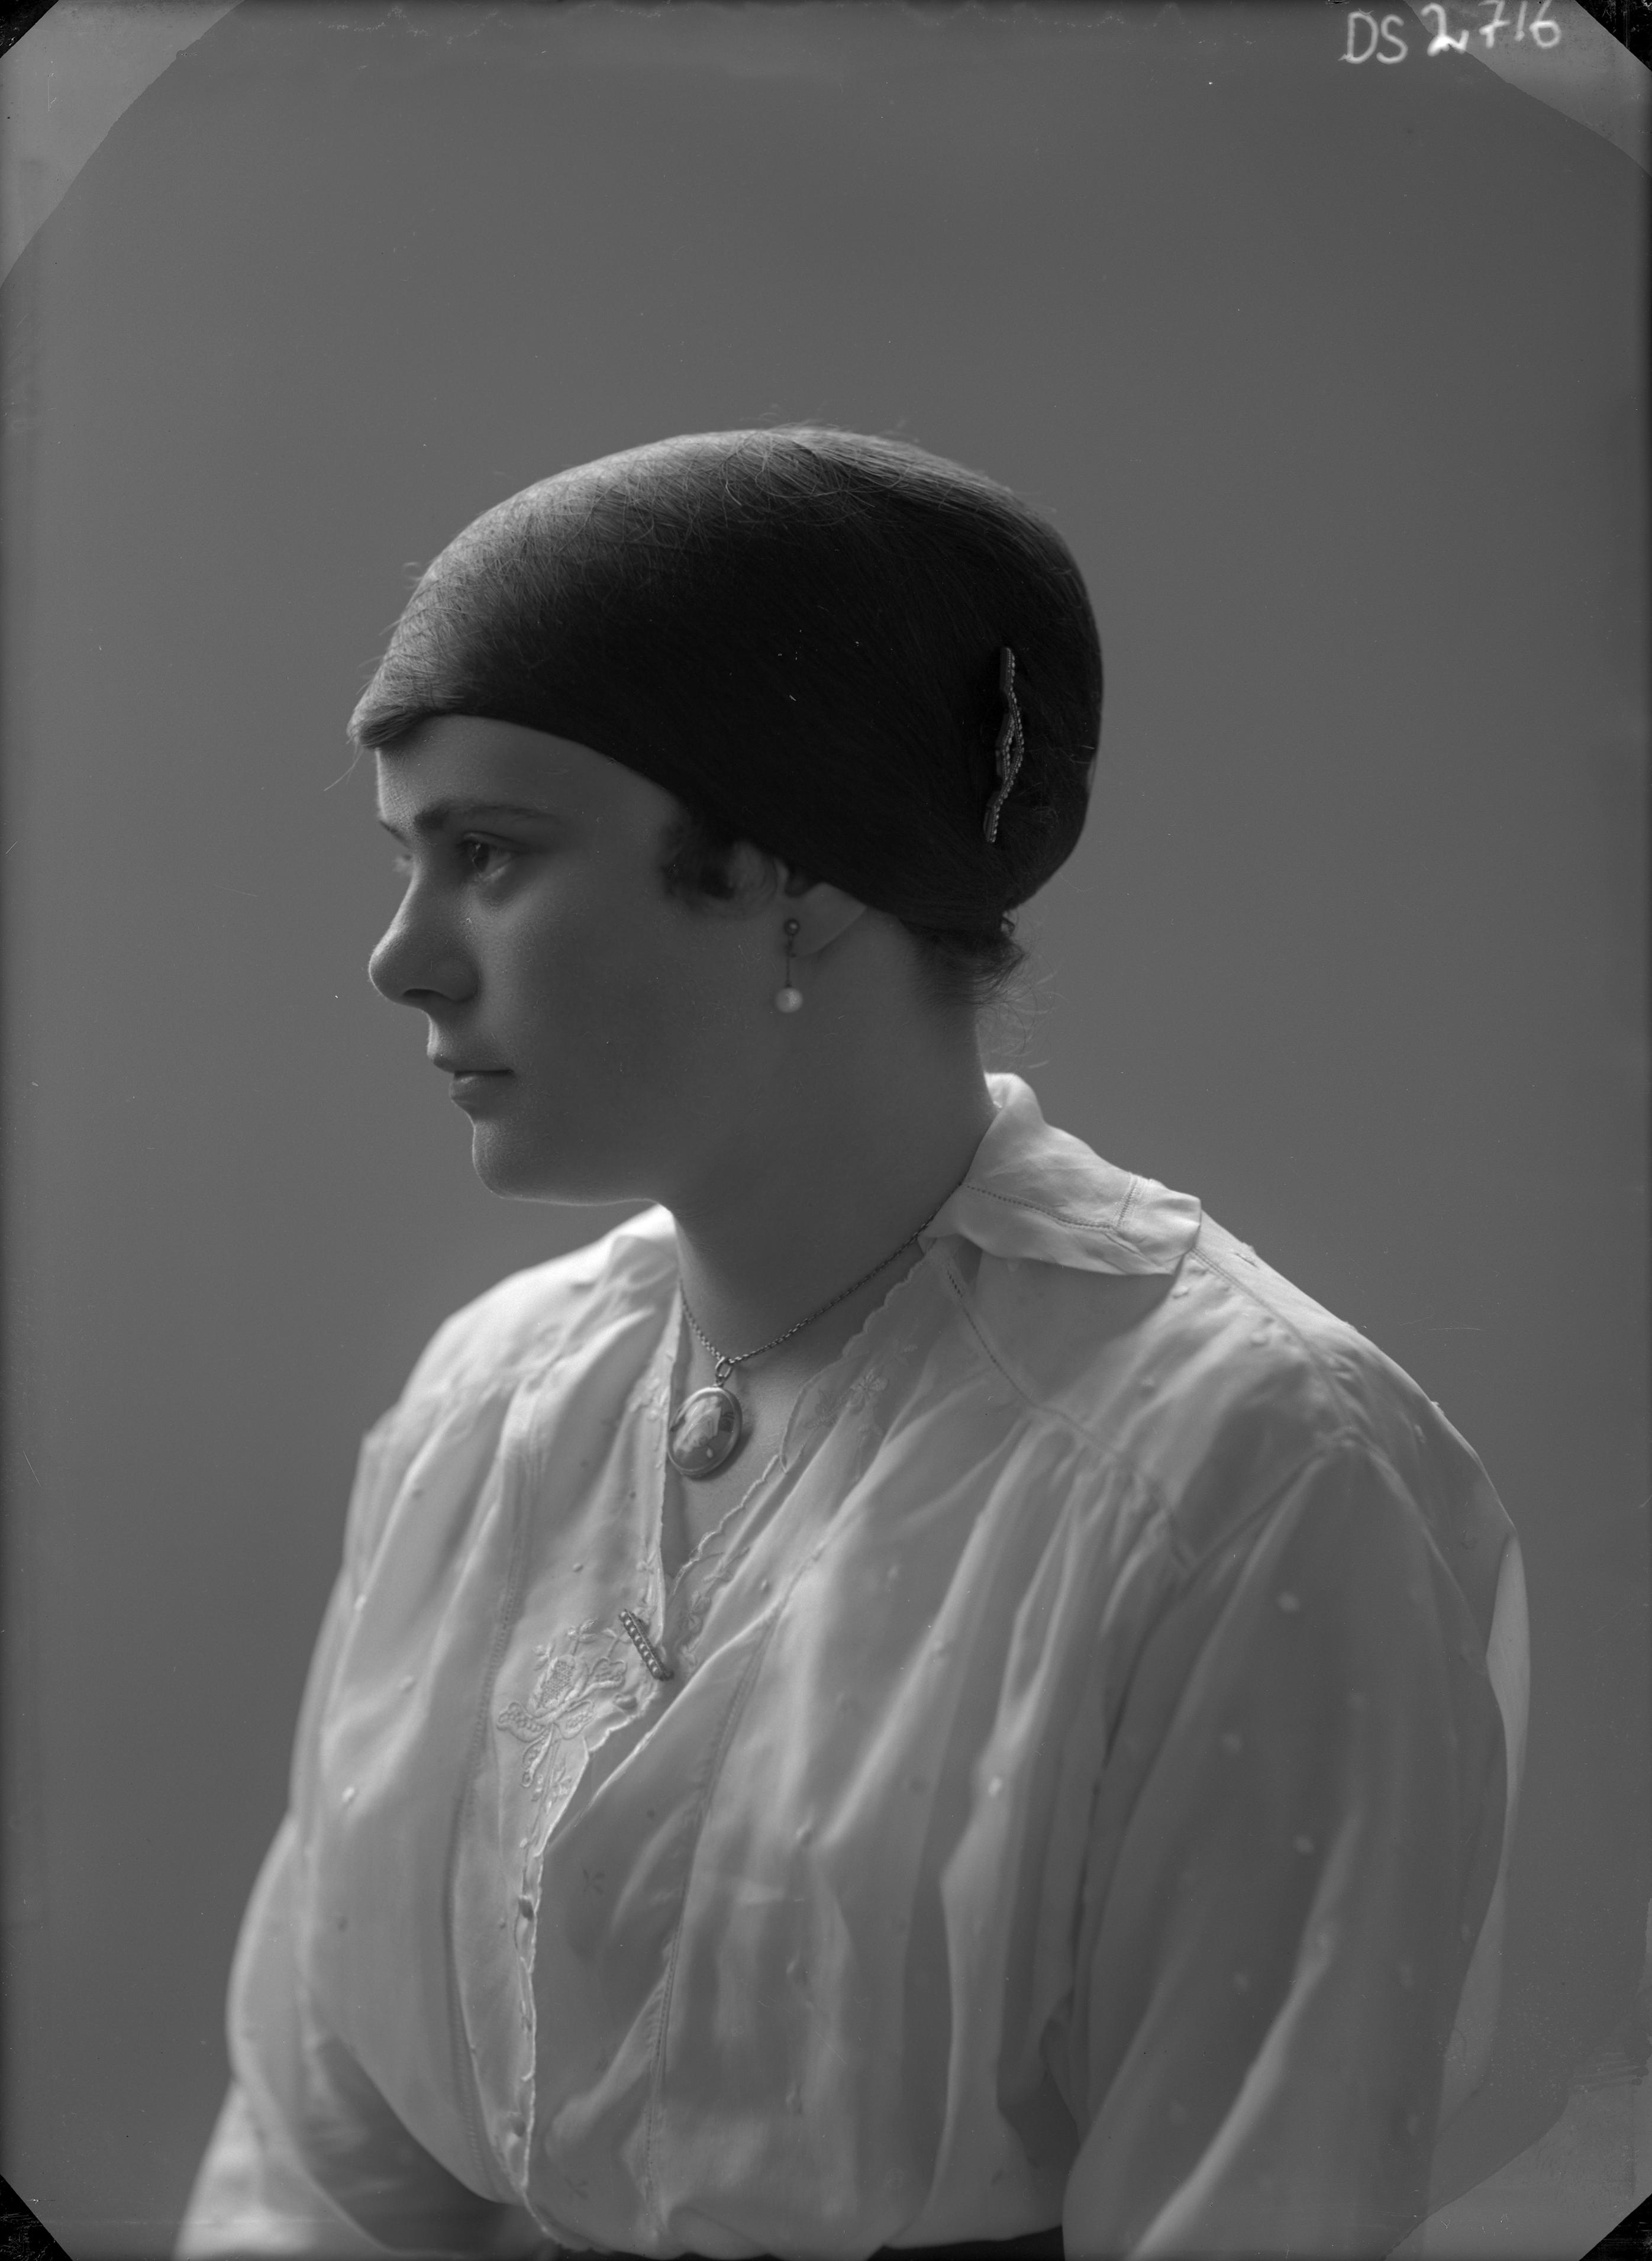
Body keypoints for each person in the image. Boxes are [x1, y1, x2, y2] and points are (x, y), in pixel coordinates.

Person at [177, 427, 1528, 2261]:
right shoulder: (493, 1403)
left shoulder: (1247, 1474)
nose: (401, 958)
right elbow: (314, 2175)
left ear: (791, 878)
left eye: (488, 853)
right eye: (409, 861)